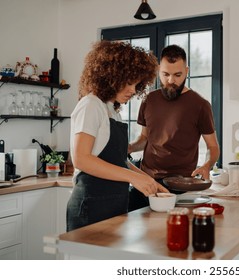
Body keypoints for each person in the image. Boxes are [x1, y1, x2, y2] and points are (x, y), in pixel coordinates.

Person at [67, 40, 168, 231]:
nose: (132, 90)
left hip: (114, 204)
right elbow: (81, 159)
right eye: (128, 83)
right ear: (110, 75)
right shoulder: (90, 105)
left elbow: (118, 160)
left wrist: (148, 180)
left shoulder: (112, 110)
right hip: (91, 205)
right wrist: (133, 178)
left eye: (137, 84)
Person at [128, 44, 220, 210]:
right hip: (146, 184)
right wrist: (128, 147)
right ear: (158, 70)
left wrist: (207, 165)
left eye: (177, 75)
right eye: (165, 74)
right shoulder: (148, 100)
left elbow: (213, 147)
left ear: (187, 71)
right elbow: (144, 139)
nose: (171, 81)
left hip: (181, 187)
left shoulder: (200, 105)